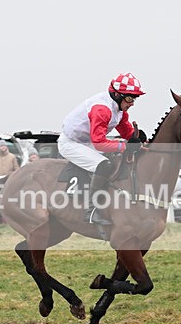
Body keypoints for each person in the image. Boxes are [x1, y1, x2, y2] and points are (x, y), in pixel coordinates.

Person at [57, 72, 146, 226]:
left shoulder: (119, 108)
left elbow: (125, 129)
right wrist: (125, 146)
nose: (132, 103)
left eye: (135, 98)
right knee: (104, 165)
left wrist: (138, 138)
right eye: (130, 98)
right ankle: (91, 210)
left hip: (87, 141)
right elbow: (98, 143)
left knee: (117, 160)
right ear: (117, 95)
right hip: (71, 143)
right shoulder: (102, 109)